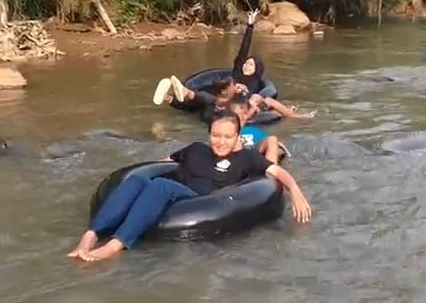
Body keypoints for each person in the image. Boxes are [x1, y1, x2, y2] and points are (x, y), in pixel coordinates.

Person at [67, 109, 313, 262]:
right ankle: (90, 236)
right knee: (139, 180)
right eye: (216, 135)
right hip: (175, 191)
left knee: (161, 186)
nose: (221, 141)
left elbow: (277, 171)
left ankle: (116, 245)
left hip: (198, 200)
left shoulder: (246, 158)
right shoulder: (196, 150)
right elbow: (162, 163)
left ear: (237, 136)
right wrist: (141, 172)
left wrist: (296, 192)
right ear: (209, 134)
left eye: (227, 136)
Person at [152, 10, 316, 119]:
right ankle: (171, 97)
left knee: (207, 100)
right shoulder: (237, 71)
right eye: (246, 64)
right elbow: (244, 49)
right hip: (221, 93)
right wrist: (250, 27)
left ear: (257, 70)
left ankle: (182, 93)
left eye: (250, 65)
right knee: (204, 97)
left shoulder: (256, 82)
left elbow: (254, 97)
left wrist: (240, 90)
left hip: (232, 101)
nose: (246, 66)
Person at [228, 97, 287, 165]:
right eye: (238, 115)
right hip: (237, 158)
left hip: (253, 155)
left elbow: (265, 140)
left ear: (247, 115)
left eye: (244, 114)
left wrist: (276, 143)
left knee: (272, 139)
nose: (242, 117)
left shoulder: (251, 130)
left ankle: (271, 170)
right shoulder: (224, 130)